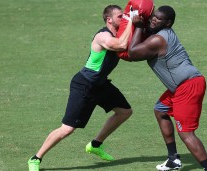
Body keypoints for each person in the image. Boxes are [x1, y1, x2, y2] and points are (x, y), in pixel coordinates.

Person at [28, 5, 134, 171]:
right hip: (84, 84)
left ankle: (95, 145)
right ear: (109, 19)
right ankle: (36, 158)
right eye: (120, 16)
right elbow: (121, 45)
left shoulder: (119, 33)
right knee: (67, 129)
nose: (124, 18)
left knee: (125, 111)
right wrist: (132, 22)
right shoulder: (103, 36)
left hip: (101, 85)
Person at [128, 6, 207, 171]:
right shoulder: (163, 33)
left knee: (186, 133)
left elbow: (132, 53)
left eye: (159, 19)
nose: (154, 19)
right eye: (154, 16)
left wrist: (138, 26)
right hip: (184, 84)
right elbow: (148, 30)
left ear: (168, 23)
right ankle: (173, 159)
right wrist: (140, 18)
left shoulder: (158, 40)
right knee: (160, 110)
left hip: (187, 86)